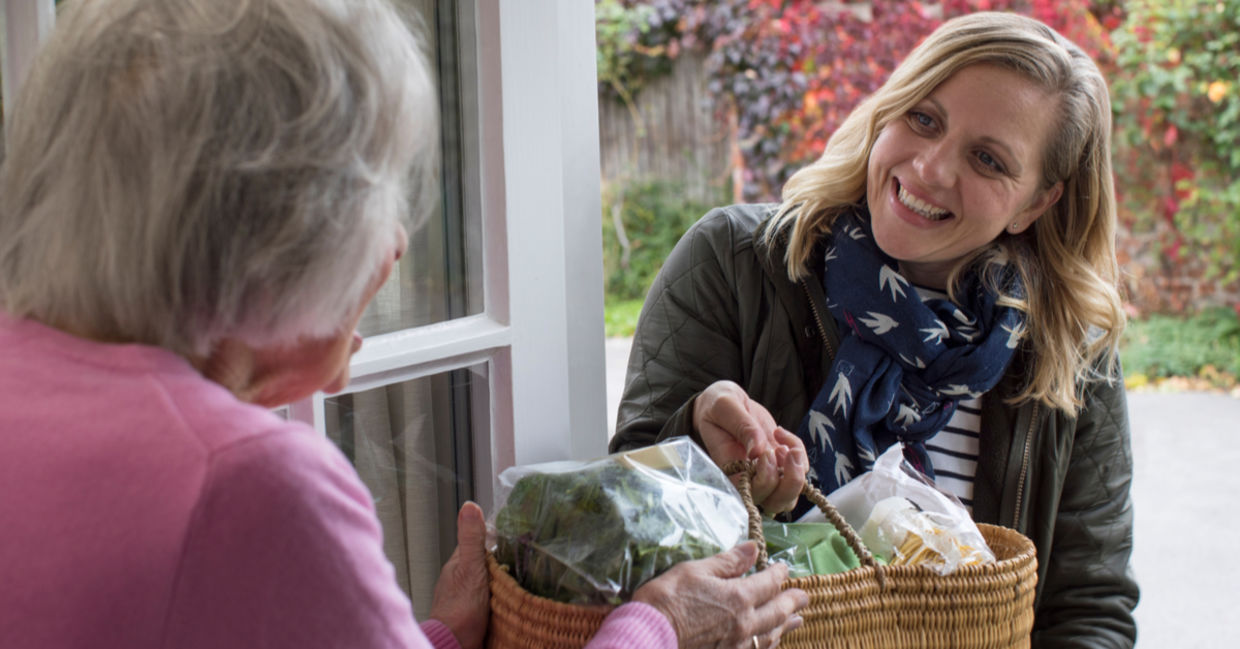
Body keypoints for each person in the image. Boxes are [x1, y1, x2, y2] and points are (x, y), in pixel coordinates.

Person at [0, 1, 808, 648]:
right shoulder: (251, 483)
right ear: (276, 231)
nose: (394, 246)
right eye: (378, 188)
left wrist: (437, 636)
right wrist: (661, 625)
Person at [612, 11, 1138, 648]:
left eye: (988, 159)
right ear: (889, 110)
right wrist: (697, 440)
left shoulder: (1068, 350)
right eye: (923, 118)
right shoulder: (733, 263)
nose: (932, 168)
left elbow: (1089, 607)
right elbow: (622, 522)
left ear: (1036, 203)